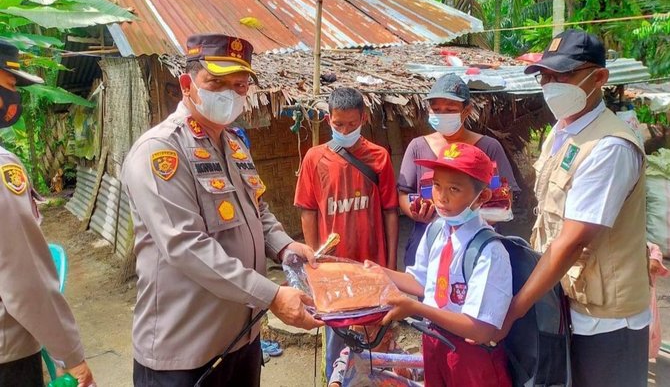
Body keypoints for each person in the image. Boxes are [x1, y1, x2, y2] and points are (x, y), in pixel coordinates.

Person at [122, 33, 322, 387]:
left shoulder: (233, 144)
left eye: (240, 85)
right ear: (187, 83)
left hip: (241, 339)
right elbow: (186, 246)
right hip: (186, 353)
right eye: (216, 82)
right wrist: (272, 296)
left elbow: (257, 211)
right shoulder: (161, 151)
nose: (229, 93)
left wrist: (284, 246)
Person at [495, 29, 650, 387]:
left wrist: (516, 308)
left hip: (608, 317)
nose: (551, 85)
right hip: (567, 300)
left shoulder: (610, 146)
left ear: (599, 78)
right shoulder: (561, 133)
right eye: (545, 76)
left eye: (564, 75)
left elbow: (572, 240)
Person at [0, 40, 95, 387]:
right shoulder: (2, 169)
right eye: (10, 85)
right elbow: (25, 281)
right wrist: (71, 357)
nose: (14, 97)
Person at [378, 142, 512, 386]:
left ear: (482, 196)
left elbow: (481, 330)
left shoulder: (489, 251)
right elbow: (421, 282)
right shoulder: (437, 231)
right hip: (435, 343)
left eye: (454, 189)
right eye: (436, 185)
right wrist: (376, 271)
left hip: (472, 359)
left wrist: (416, 309)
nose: (441, 196)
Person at [294, 86, 399, 383]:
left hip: (372, 266)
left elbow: (391, 211)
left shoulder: (379, 157)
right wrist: (314, 263)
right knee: (336, 343)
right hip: (333, 271)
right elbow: (308, 211)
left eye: (352, 124)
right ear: (328, 119)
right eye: (339, 124)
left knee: (377, 341)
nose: (345, 129)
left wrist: (390, 265)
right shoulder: (314, 159)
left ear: (363, 118)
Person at [397, 73, 519, 268]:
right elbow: (404, 193)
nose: (442, 114)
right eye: (436, 109)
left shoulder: (488, 147)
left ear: (467, 110)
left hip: (477, 245)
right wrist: (416, 213)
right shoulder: (418, 146)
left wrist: (483, 218)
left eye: (450, 110)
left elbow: (506, 195)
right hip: (427, 241)